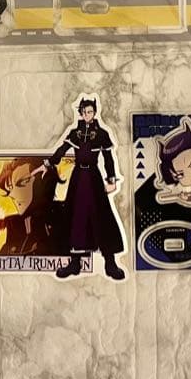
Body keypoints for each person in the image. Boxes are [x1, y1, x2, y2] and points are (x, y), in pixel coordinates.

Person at [50, 97, 126, 280]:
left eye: (90, 111)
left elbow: (108, 158)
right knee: (76, 217)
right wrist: (50, 162)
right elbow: (62, 149)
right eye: (84, 112)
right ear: (81, 113)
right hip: (78, 179)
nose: (87, 115)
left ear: (95, 112)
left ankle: (110, 263)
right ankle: (75, 263)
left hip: (93, 179)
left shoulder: (101, 134)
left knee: (102, 216)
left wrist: (111, 180)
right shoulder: (75, 133)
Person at [0, 157, 62, 256]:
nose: (12, 194)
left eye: (23, 182)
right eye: (10, 188)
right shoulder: (14, 227)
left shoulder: (65, 218)